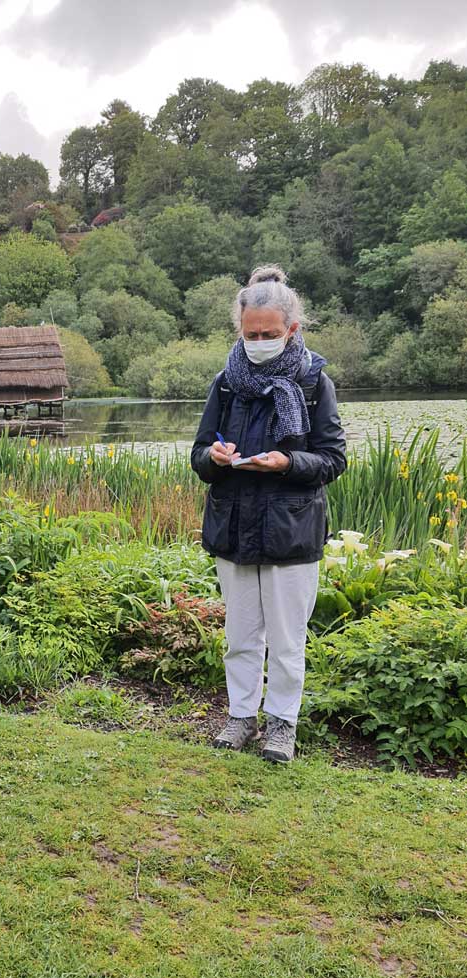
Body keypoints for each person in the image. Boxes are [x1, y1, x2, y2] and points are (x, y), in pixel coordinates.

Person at [190, 266, 346, 764]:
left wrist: (287, 463)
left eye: (269, 335)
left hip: (290, 530)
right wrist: (213, 458)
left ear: (291, 331)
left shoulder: (314, 383)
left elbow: (333, 459)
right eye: (251, 334)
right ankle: (241, 718)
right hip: (232, 526)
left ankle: (282, 725)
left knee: (285, 641)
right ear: (241, 330)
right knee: (240, 637)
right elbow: (198, 453)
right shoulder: (226, 384)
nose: (259, 341)